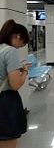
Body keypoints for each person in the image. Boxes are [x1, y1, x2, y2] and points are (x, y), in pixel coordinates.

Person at [0, 19, 29, 148]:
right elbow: (15, 84)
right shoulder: (10, 51)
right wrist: (24, 72)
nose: (20, 46)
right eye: (22, 42)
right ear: (17, 36)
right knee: (7, 141)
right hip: (5, 102)